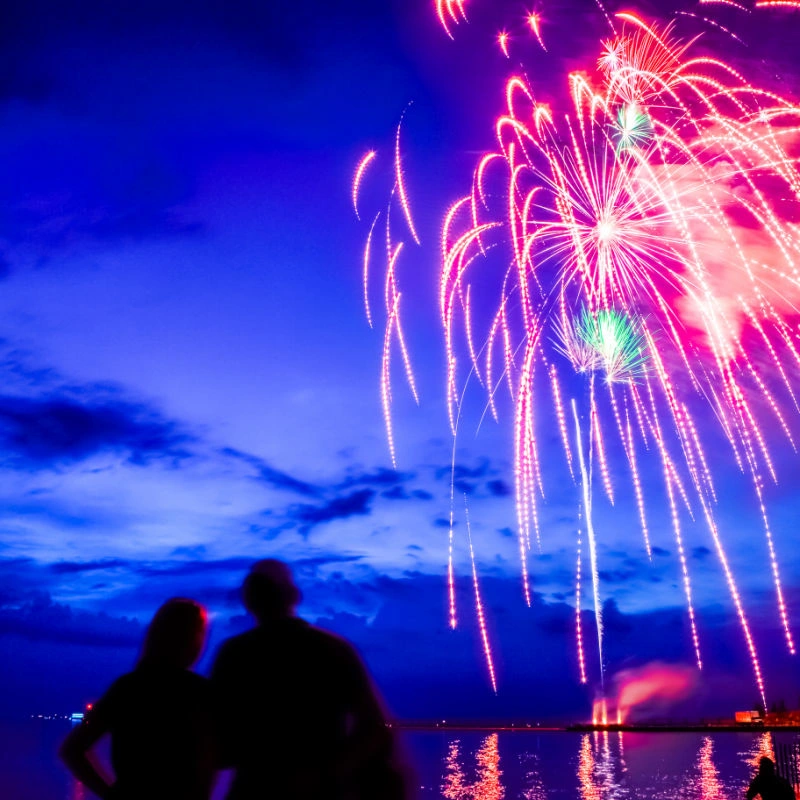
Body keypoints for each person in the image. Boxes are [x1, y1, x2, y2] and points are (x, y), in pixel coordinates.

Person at [211, 559, 408, 799]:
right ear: (293, 596)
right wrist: (325, 773)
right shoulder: (334, 649)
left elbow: (219, 745)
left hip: (253, 789)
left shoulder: (234, 654)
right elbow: (374, 728)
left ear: (249, 600)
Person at [60, 598, 216, 800]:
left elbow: (71, 750)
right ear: (191, 638)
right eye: (200, 632)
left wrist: (109, 794)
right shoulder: (200, 692)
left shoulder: (127, 688)